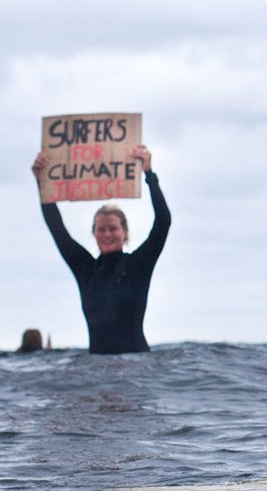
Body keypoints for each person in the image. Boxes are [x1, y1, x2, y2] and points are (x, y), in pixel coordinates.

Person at [30, 144, 169, 354]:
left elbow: (163, 222)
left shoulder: (138, 264)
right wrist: (42, 181)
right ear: (94, 233)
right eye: (101, 229)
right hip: (96, 365)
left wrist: (149, 174)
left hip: (136, 363)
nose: (107, 234)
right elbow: (56, 228)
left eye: (113, 228)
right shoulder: (85, 269)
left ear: (125, 232)